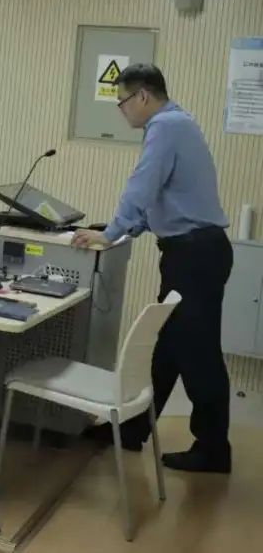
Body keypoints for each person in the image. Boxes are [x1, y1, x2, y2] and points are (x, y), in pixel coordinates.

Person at [72, 64, 232, 473]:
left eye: (122, 101)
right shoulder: (177, 124)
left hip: (194, 255)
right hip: (194, 253)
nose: (121, 110)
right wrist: (122, 230)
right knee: (168, 351)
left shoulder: (165, 126)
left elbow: (142, 185)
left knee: (198, 354)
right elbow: (161, 197)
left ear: (142, 95)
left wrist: (112, 232)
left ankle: (214, 449)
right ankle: (132, 431)